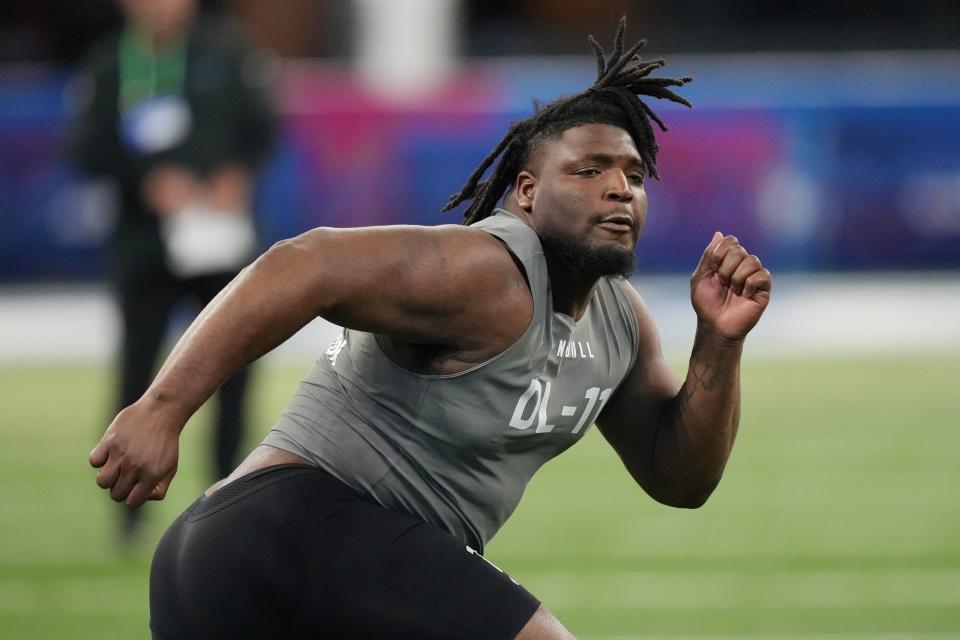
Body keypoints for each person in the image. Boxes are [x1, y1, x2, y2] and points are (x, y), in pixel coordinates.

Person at [90, 19, 771, 639]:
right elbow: (306, 262)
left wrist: (720, 340)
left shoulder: (622, 323)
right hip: (280, 532)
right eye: (589, 171)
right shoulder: (490, 271)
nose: (619, 188)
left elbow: (680, 479)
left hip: (252, 568)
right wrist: (161, 408)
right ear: (527, 192)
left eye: (632, 174)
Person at [67, 0, 276, 541]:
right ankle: (128, 512)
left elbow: (264, 127)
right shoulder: (108, 63)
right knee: (138, 373)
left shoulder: (227, 54)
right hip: (146, 244)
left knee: (233, 372)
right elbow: (85, 145)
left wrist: (237, 173)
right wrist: (147, 179)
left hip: (220, 241)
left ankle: (228, 502)